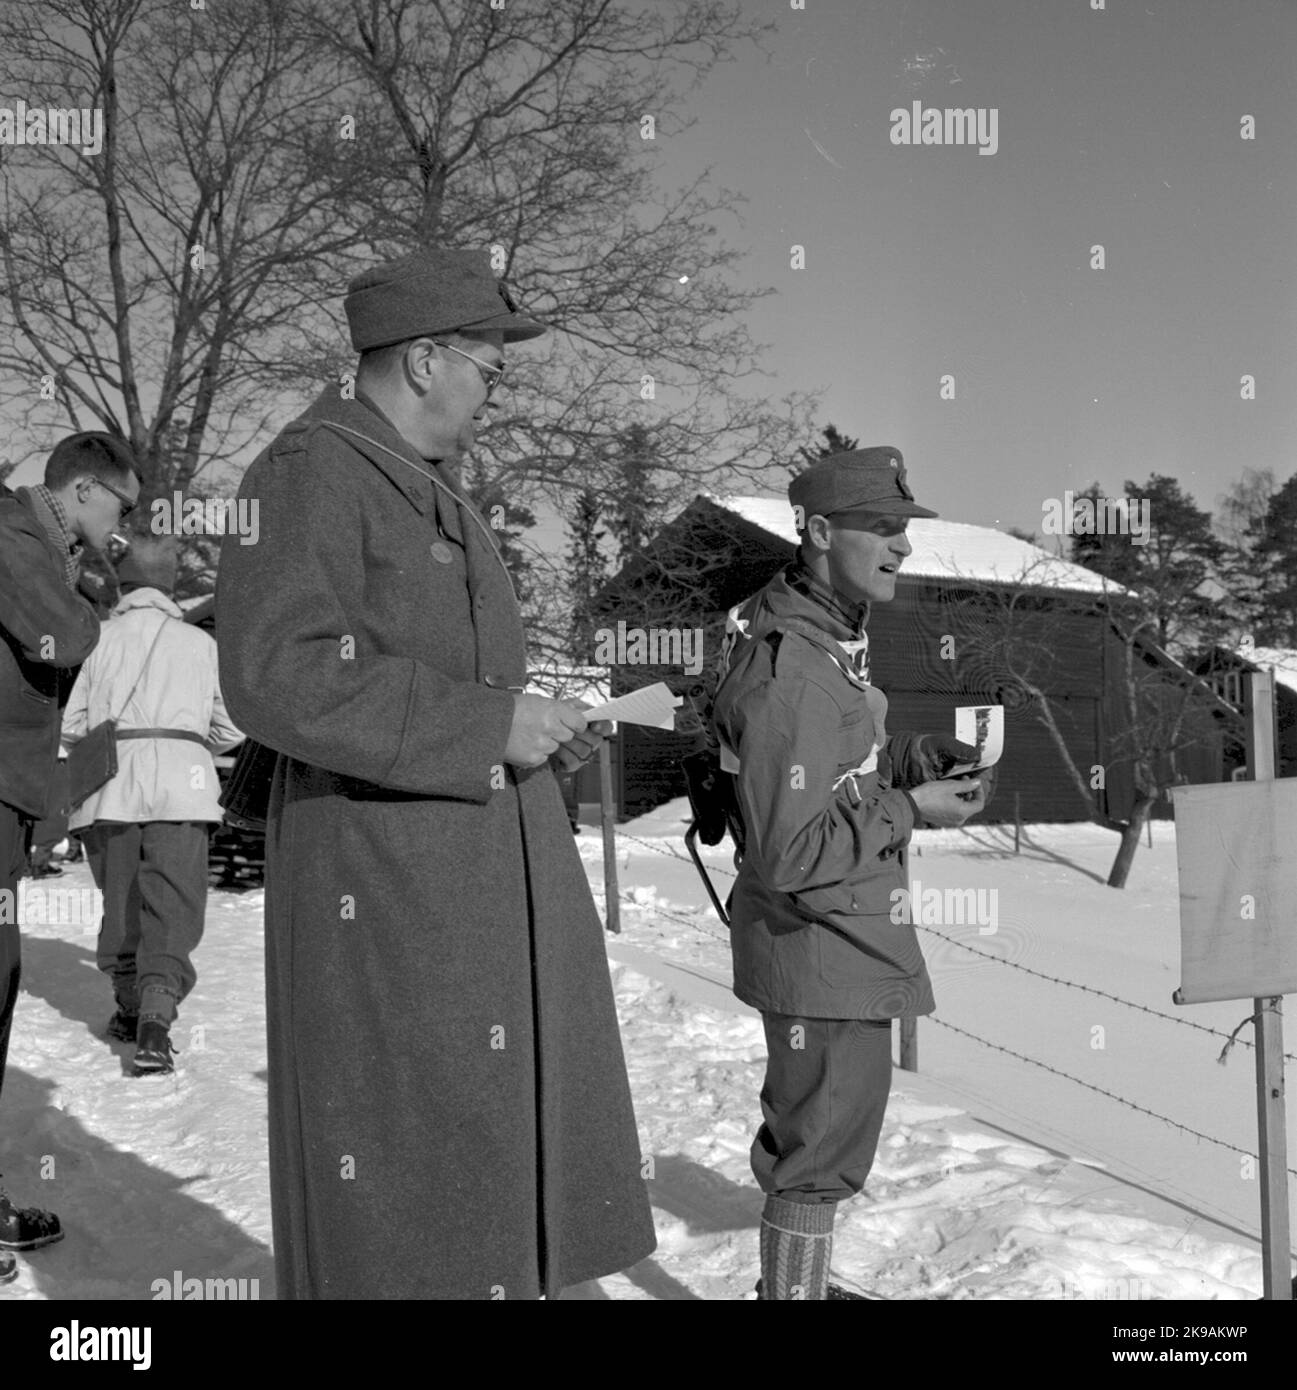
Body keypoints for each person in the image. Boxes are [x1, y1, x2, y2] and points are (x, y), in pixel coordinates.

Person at [216, 246, 656, 1299]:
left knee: (473, 1146)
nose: (493, 393)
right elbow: (276, 674)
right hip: (388, 889)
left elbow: (452, 686)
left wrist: (536, 731)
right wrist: (485, 724)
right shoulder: (309, 469)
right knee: (409, 1161)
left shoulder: (420, 484)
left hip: (464, 879)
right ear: (421, 360)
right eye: (488, 369)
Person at [710, 446, 987, 1301]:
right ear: (821, 531)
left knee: (821, 1137)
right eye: (882, 528)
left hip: (841, 941)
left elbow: (830, 770)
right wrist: (913, 811)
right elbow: (791, 851)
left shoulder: (825, 638)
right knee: (818, 1152)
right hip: (822, 948)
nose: (901, 547)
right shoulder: (795, 666)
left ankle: (794, 1288)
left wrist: (908, 758)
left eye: (902, 529)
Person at [0, 432, 140, 1280]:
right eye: (118, 509)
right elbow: (69, 637)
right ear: (83, 491)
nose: (121, 529)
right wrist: (94, 585)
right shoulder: (13, 537)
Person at [61, 539, 242, 1075]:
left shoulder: (99, 639)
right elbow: (232, 724)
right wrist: (184, 745)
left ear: (123, 585)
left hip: (111, 789)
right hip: (184, 786)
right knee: (174, 903)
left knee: (121, 902)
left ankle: (127, 1008)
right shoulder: (199, 644)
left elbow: (73, 727)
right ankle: (156, 1022)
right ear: (169, 587)